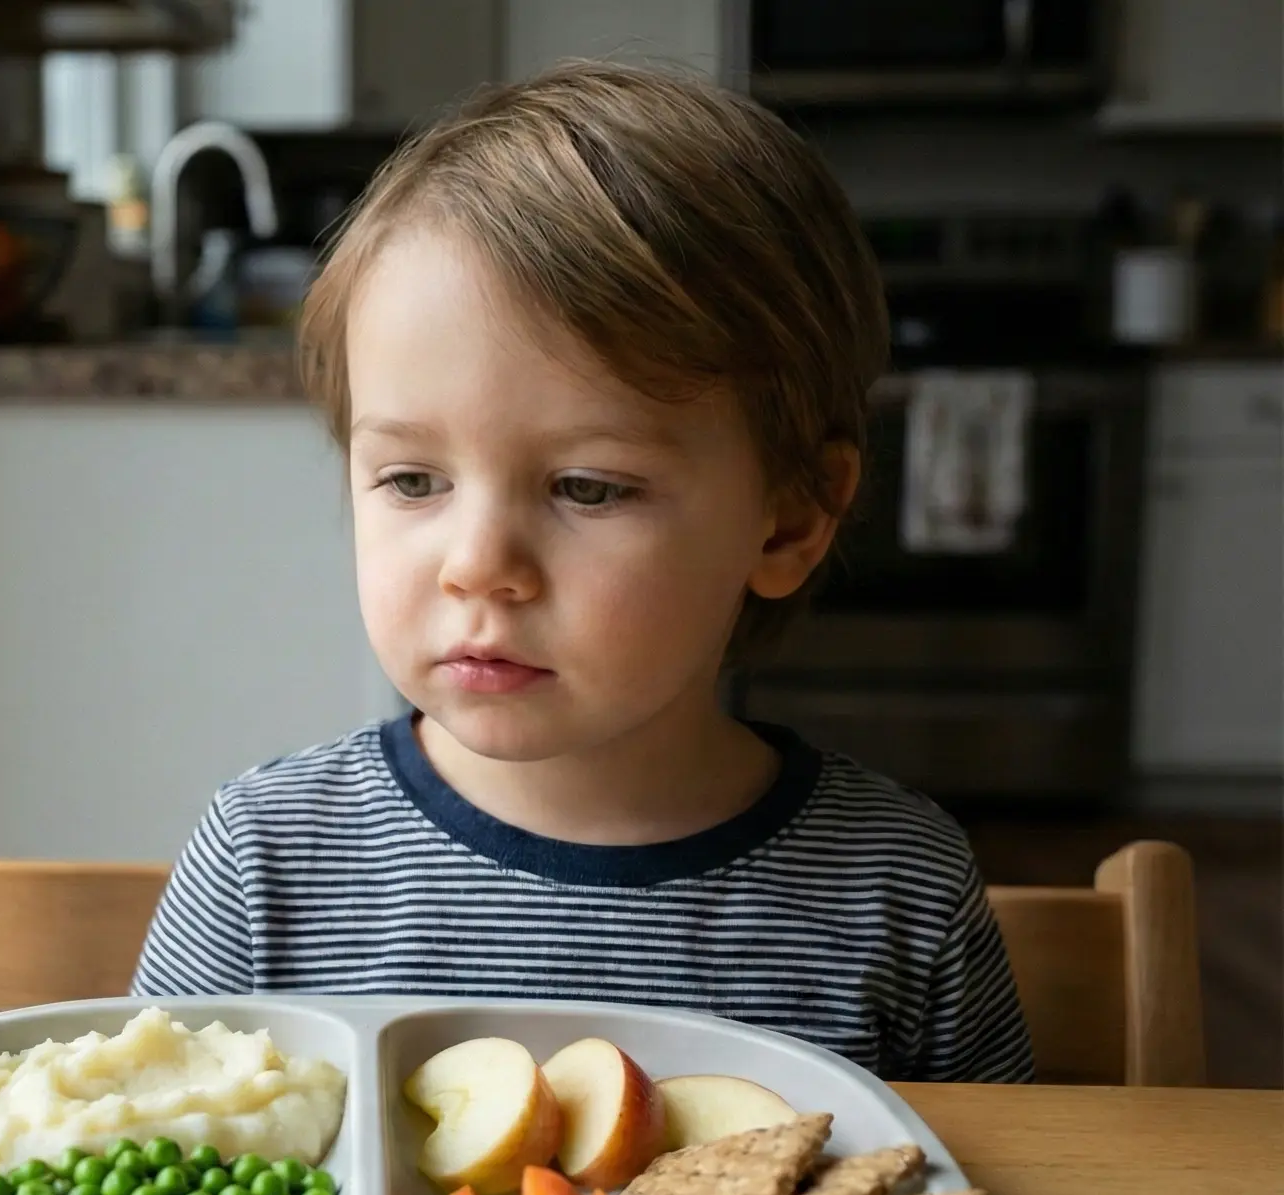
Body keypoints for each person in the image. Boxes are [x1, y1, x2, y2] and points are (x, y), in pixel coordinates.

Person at [130, 62, 1033, 1083]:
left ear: (788, 519)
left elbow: (1002, 1174)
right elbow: (154, 1158)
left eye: (588, 489)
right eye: (413, 479)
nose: (478, 567)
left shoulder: (898, 892)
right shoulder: (267, 864)